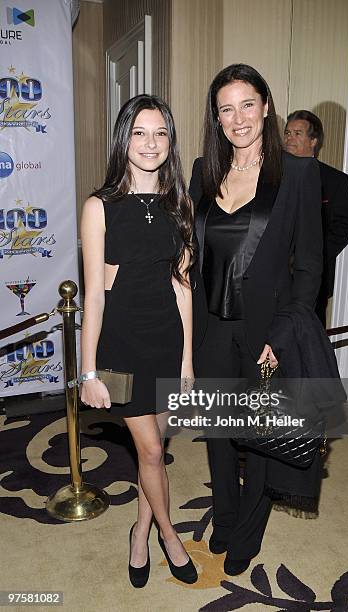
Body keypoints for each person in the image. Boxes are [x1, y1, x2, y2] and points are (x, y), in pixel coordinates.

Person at [189, 64, 329, 577]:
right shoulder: (204, 169)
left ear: (267, 106)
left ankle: (247, 532)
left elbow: (310, 265)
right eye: (226, 108)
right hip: (210, 328)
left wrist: (284, 333)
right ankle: (224, 520)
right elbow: (194, 252)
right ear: (217, 117)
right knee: (220, 432)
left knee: (262, 434)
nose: (238, 117)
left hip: (265, 333)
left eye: (248, 104)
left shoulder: (297, 173)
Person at [79, 95, 198, 587]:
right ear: (123, 138)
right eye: (140, 132)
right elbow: (94, 297)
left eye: (160, 133)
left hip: (166, 341)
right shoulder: (99, 206)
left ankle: (140, 526)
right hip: (121, 347)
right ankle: (169, 535)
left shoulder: (179, 204)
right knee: (150, 452)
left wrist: (188, 360)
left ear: (170, 141)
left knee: (159, 446)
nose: (150, 143)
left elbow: (183, 287)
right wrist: (88, 371)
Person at [283, 109, 348, 326]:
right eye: (287, 133)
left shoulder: (335, 180)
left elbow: (345, 225)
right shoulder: (270, 174)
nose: (289, 138)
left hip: (312, 277)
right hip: (273, 275)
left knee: (308, 334)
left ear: (313, 141)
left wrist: (312, 256)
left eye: (297, 133)